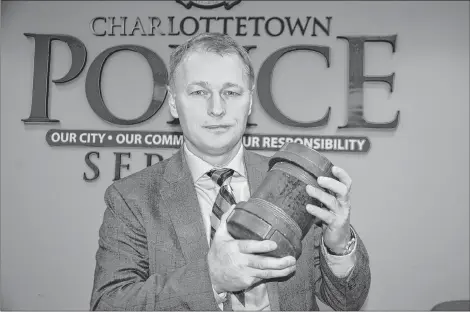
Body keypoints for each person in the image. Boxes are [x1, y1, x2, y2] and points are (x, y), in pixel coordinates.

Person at [90, 32, 371, 311]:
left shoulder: (293, 181)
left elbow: (347, 301)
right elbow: (109, 304)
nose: (216, 109)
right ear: (174, 102)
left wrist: (338, 244)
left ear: (249, 101)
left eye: (231, 92)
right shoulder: (131, 198)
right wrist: (212, 279)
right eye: (199, 92)